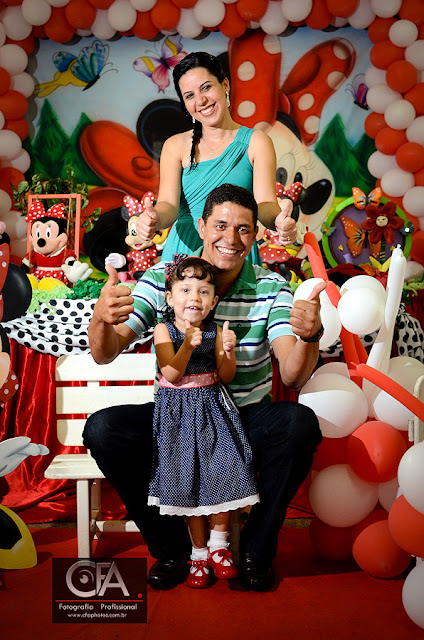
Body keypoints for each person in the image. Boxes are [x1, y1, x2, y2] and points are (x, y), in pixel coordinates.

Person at [85, 183, 323, 592]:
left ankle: (255, 550)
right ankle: (172, 549)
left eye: (244, 229)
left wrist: (309, 335)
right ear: (200, 227)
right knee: (104, 430)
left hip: (242, 418)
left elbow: (292, 376)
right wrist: (101, 318)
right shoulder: (163, 279)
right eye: (221, 225)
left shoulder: (271, 287)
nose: (232, 238)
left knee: (299, 423)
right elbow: (104, 353)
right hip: (177, 418)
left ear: (256, 234)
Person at [150, 255, 259, 589]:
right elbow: (171, 372)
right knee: (188, 483)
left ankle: (218, 546)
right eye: (185, 289)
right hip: (177, 415)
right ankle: (197, 555)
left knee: (225, 468)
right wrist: (187, 345)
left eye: (203, 291)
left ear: (213, 301)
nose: (194, 297)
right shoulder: (163, 330)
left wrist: (229, 351)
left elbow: (226, 375)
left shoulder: (215, 331)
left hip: (212, 409)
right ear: (170, 298)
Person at [135, 51, 297, 265]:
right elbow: (168, 205)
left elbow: (265, 203)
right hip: (186, 254)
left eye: (206, 87)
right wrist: (154, 219)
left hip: (234, 249)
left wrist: (279, 221)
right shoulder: (175, 146)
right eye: (189, 96)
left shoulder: (257, 142)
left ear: (225, 85)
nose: (201, 100)